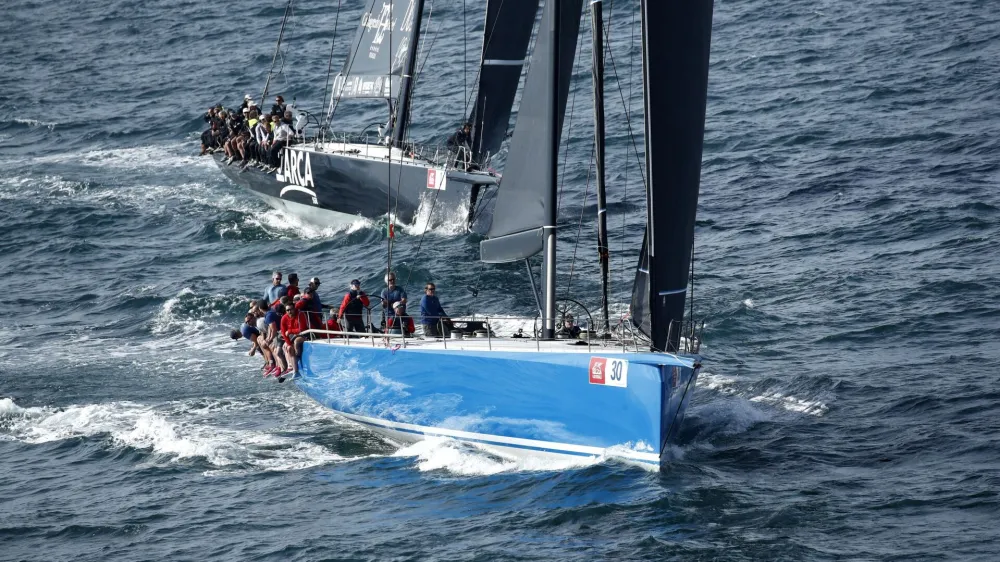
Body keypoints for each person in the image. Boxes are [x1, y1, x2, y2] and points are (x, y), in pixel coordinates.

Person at [263, 303, 287, 374]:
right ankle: (280, 367)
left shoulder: (271, 315)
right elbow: (270, 328)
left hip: (282, 335)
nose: (278, 314)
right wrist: (269, 338)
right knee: (276, 350)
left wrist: (270, 339)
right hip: (280, 334)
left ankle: (284, 368)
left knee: (278, 351)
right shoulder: (270, 315)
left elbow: (274, 329)